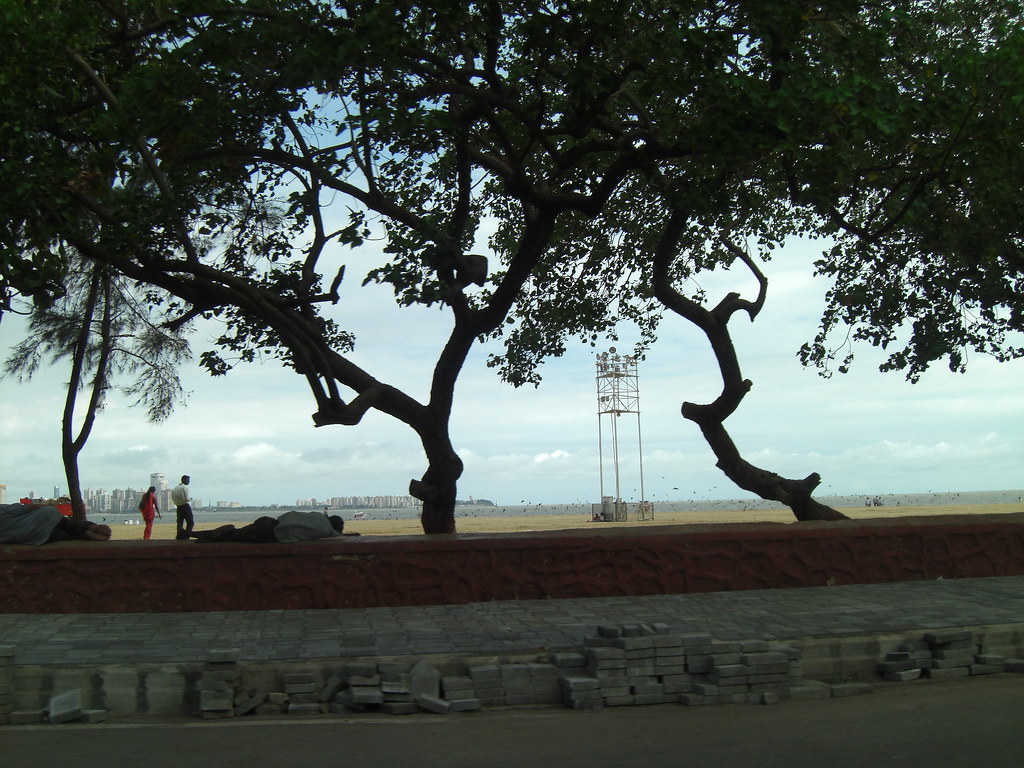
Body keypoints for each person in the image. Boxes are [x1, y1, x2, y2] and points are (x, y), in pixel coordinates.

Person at [190, 510, 350, 543]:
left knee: (234, 534)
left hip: (268, 521)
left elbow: (289, 515)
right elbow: (338, 537)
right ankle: (202, 537)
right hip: (270, 535)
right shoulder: (327, 531)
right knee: (230, 538)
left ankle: (192, 533)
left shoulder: (317, 515)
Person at [0, 502, 112, 546]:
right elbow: (27, 508)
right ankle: (90, 526)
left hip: (36, 536)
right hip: (44, 517)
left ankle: (87, 535)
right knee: (69, 524)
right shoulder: (2, 509)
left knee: (65, 537)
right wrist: (46, 504)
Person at [171, 475, 193, 540]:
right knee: (190, 522)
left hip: (179, 507)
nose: (188, 482)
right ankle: (187, 536)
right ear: (184, 480)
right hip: (185, 506)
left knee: (180, 522)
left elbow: (173, 498)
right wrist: (190, 499)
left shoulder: (175, 488)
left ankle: (179, 536)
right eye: (188, 480)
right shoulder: (185, 488)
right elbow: (186, 498)